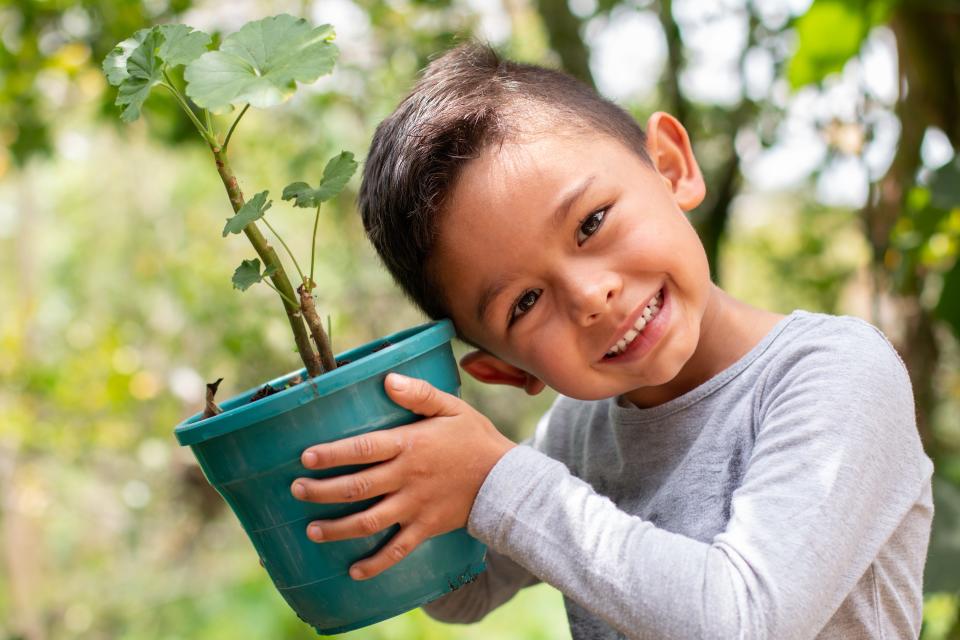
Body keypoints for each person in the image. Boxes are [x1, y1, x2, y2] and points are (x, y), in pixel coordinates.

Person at [287, 43, 934, 639]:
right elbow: (464, 591)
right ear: (506, 371)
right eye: (526, 303)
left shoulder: (838, 373)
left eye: (591, 222)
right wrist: (384, 475)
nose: (591, 296)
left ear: (672, 167)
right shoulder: (577, 435)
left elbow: (744, 620)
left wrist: (494, 477)